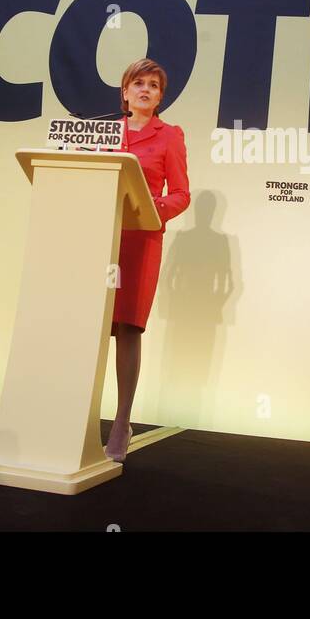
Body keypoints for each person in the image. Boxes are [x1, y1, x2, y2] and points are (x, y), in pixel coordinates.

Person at [105, 58, 190, 462]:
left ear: (160, 97)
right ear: (124, 92)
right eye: (137, 83)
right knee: (89, 327)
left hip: (140, 240)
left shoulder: (170, 136)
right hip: (96, 238)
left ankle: (121, 421)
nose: (145, 90)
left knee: (127, 328)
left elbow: (181, 194)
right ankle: (76, 413)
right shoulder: (106, 132)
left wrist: (151, 206)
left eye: (153, 86)